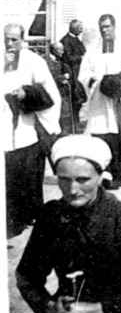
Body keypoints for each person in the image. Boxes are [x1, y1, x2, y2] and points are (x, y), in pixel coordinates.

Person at [17, 135, 121, 313]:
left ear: (101, 178)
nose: (72, 189)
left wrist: (100, 310)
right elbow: (26, 276)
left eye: (82, 180)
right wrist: (48, 306)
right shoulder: (51, 216)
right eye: (64, 179)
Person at [3, 23, 62, 238]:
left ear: (22, 39)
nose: (9, 45)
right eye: (6, 39)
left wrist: (26, 94)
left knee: (27, 177)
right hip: (4, 126)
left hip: (27, 127)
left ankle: (27, 217)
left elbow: (49, 93)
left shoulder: (34, 61)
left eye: (14, 40)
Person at [79, 14, 121, 186]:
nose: (105, 30)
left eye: (108, 26)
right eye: (102, 27)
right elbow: (84, 74)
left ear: (114, 27)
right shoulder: (93, 49)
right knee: (102, 134)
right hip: (100, 101)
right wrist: (95, 81)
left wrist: (120, 79)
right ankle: (109, 175)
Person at [59, 19, 87, 129]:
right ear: (75, 28)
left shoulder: (76, 40)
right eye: (80, 28)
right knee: (74, 100)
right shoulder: (66, 40)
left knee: (79, 100)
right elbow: (68, 57)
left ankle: (76, 123)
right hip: (72, 73)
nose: (82, 30)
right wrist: (81, 58)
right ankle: (72, 125)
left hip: (78, 72)